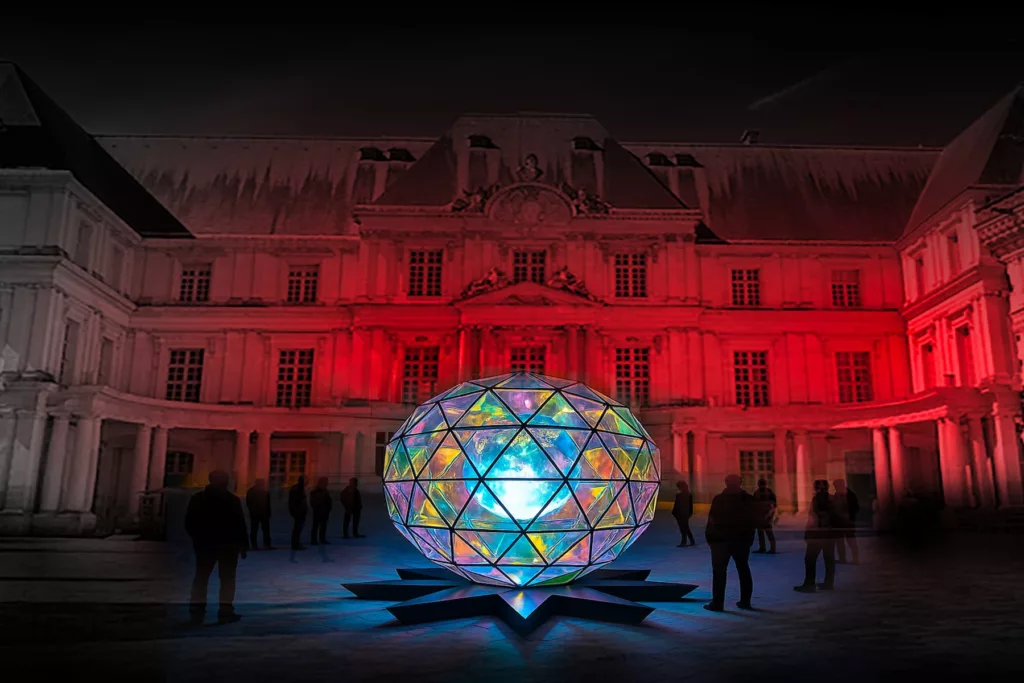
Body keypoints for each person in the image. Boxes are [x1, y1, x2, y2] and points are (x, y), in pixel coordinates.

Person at [184, 470, 248, 624]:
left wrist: (198, 539)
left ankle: (197, 613)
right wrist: (243, 545)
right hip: (227, 546)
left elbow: (189, 522)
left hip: (206, 545)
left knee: (201, 578)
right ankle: (225, 611)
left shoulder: (198, 499)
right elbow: (240, 524)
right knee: (226, 579)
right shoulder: (231, 500)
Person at [703, 474, 756, 612]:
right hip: (741, 540)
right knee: (743, 569)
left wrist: (710, 538)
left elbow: (711, 520)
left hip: (721, 541)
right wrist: (749, 539)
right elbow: (753, 521)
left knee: (720, 572)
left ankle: (718, 603)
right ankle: (745, 601)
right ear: (741, 482)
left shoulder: (719, 499)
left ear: (726, 483)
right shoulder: (748, 499)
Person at [795, 479, 838, 592]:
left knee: (810, 559)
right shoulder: (831, 499)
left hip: (818, 535)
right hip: (829, 534)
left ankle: (810, 584)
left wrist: (808, 533)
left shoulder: (817, 499)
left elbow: (813, 519)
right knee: (828, 559)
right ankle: (828, 583)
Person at [832, 479, 860, 564]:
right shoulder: (836, 495)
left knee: (851, 541)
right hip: (838, 523)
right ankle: (842, 558)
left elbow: (855, 507)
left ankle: (855, 559)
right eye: (835, 486)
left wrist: (849, 515)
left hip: (848, 522)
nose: (836, 488)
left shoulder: (851, 495)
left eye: (837, 486)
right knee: (839, 542)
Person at [245, 478, 273, 550]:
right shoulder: (263, 492)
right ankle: (264, 544)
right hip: (259, 513)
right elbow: (249, 503)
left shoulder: (252, 491)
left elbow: (249, 503)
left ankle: (257, 545)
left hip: (259, 513)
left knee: (256, 529)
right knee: (261, 529)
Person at [752, 478, 778, 554]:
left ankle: (768, 548)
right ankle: (766, 548)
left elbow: (773, 505)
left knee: (766, 532)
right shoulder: (767, 493)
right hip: (762, 515)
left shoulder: (761, 493)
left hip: (765, 515)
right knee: (764, 532)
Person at [309, 477, 333, 546]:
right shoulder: (315, 491)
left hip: (325, 511)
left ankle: (322, 539)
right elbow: (313, 502)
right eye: (326, 482)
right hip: (318, 511)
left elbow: (328, 501)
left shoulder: (325, 490)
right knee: (316, 526)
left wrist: (328, 508)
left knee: (323, 526)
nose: (327, 483)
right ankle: (314, 540)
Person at [672, 480, 696, 547]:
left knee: (683, 528)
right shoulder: (688, 495)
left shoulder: (679, 496)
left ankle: (684, 542)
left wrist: (674, 512)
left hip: (681, 514)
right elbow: (690, 506)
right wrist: (690, 513)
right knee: (685, 528)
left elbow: (676, 505)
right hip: (683, 514)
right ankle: (691, 541)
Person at [288, 476, 308, 551]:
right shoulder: (298, 489)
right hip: (299, 512)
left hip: (299, 512)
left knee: (297, 529)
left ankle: (296, 543)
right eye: (307, 480)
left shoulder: (298, 489)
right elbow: (296, 502)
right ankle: (295, 544)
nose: (308, 482)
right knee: (297, 529)